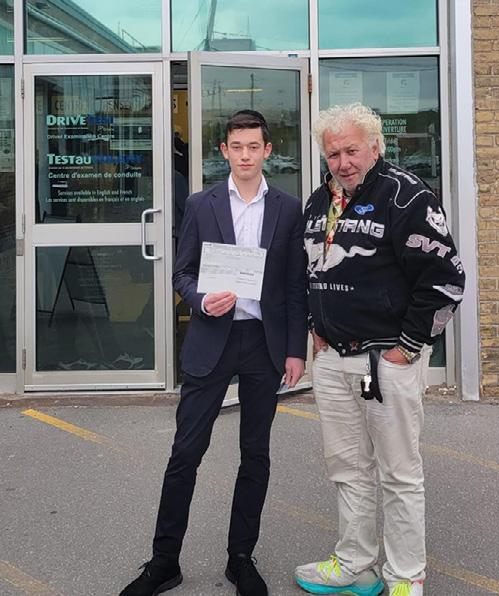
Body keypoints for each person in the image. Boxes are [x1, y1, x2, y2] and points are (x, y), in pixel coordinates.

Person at [120, 110, 308, 596]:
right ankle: (164, 561)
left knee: (255, 455)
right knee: (185, 453)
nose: (245, 155)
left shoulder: (288, 209)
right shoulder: (201, 204)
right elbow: (182, 272)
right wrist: (202, 299)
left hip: (263, 343)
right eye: (236, 147)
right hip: (212, 339)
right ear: (223, 151)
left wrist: (296, 350)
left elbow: (294, 284)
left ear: (268, 151)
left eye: (254, 147)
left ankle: (240, 558)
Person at [294, 103, 465, 596]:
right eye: (333, 154)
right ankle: (355, 563)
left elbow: (446, 281)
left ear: (375, 147)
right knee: (347, 469)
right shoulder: (319, 202)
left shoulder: (407, 196)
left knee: (399, 474)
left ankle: (406, 576)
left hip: (385, 360)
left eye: (351, 151)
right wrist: (314, 323)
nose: (343, 162)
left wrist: (408, 347)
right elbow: (310, 269)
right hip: (332, 361)